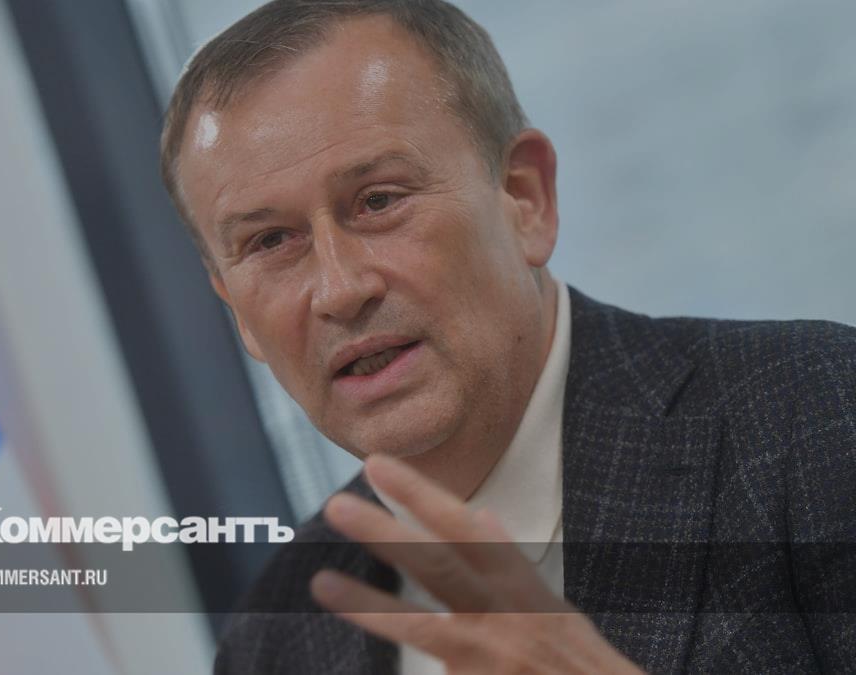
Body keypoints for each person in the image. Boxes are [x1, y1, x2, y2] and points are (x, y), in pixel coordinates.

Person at [157, 0, 856, 672]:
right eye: (271, 241)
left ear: (525, 197)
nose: (340, 289)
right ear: (237, 310)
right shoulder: (273, 642)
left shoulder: (817, 413)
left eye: (378, 201)